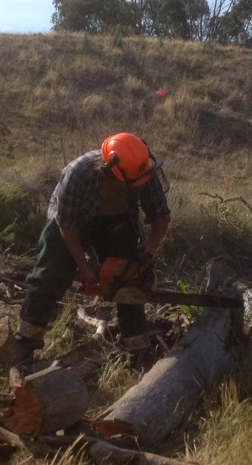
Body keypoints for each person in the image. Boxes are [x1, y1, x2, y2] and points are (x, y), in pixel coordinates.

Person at [16, 132, 171, 357]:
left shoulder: (140, 170)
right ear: (111, 173)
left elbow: (161, 215)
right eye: (128, 184)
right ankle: (25, 341)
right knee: (50, 274)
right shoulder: (77, 174)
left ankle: (137, 349)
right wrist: (85, 267)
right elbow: (67, 226)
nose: (136, 186)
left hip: (117, 221)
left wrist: (150, 246)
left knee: (130, 282)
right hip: (69, 223)